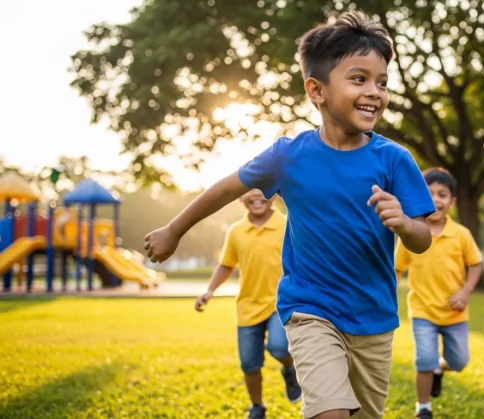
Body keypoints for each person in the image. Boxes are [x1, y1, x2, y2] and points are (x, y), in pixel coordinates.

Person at [144, 11, 435, 419]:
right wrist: (174, 229)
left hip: (373, 318)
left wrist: (405, 223)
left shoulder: (394, 160)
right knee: (330, 413)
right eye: (359, 79)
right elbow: (226, 188)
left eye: (382, 82)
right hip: (310, 309)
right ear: (316, 90)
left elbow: (422, 240)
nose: (375, 92)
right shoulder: (288, 156)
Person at [194, 189, 300, 419]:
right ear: (241, 198)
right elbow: (226, 264)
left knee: (279, 346)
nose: (256, 196)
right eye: (250, 192)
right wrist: (209, 290)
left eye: (263, 191)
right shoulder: (236, 231)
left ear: (275, 195)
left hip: (281, 303)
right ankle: (257, 407)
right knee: (249, 363)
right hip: (248, 305)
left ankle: (289, 370)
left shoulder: (287, 225)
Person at [394, 168, 483, 419]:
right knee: (424, 359)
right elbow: (396, 269)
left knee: (459, 362)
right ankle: (423, 407)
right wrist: (387, 295)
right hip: (422, 310)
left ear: (452, 201)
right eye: (429, 193)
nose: (435, 199)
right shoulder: (409, 232)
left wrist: (465, 292)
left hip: (455, 313)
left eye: (442, 194)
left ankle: (439, 370)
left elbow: (476, 264)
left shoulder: (461, 234)